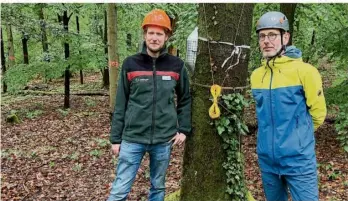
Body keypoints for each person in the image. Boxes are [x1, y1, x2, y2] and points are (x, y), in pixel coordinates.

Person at [107, 9, 191, 201]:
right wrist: (115, 138)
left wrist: (184, 128)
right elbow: (121, 102)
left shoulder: (176, 65)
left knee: (158, 187)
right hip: (132, 138)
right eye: (151, 33)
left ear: (166, 36)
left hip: (164, 139)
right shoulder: (130, 64)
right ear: (145, 35)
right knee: (120, 189)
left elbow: (185, 98)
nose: (154, 38)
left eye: (159, 34)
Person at [250, 11, 327, 201]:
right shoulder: (256, 75)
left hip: (298, 160)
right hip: (267, 160)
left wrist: (299, 138)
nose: (266, 41)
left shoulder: (306, 72)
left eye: (272, 35)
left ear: (286, 37)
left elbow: (318, 113)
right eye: (262, 36)